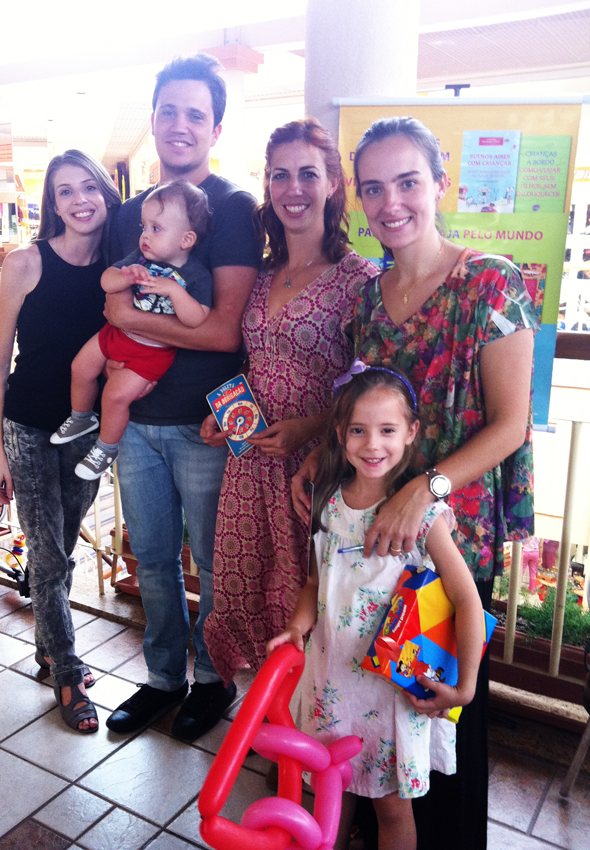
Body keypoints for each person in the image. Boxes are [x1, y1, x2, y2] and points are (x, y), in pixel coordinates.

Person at [292, 116, 539, 849]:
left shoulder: (490, 282)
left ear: (440, 184)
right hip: (372, 537)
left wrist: (422, 489)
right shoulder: (369, 297)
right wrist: (321, 453)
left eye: (407, 182)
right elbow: (363, 404)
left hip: (446, 535)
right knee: (369, 709)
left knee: (435, 710)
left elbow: (510, 425)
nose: (390, 202)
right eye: (373, 188)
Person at [104, 54, 262, 741]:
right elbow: (110, 301)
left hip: (205, 424)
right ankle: (163, 678)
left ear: (215, 129)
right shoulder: (131, 212)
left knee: (216, 564)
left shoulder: (233, 209)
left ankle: (214, 680)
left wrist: (130, 321)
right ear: (153, 119)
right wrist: (123, 319)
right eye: (168, 110)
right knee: (153, 561)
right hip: (136, 420)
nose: (180, 124)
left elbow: (225, 330)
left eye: (195, 114)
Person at [269, 364, 483, 850]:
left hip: (389, 695)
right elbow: (315, 582)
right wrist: (297, 627)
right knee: (330, 789)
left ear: (411, 432)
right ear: (339, 434)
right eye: (358, 431)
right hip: (330, 684)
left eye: (387, 430)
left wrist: (466, 686)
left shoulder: (424, 516)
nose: (372, 444)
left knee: (391, 808)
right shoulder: (327, 502)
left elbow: (466, 599)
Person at [201, 118, 377, 685]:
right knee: (243, 587)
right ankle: (267, 709)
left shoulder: (359, 279)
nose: (293, 188)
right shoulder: (262, 274)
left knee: (308, 596)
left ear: (333, 183)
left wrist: (313, 427)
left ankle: (309, 721)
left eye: (308, 174)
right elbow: (254, 361)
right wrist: (223, 412)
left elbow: (373, 387)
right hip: (249, 462)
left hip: (314, 468)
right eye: (280, 175)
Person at [0, 150, 121, 733]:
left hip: (88, 431)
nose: (79, 200)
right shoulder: (25, 262)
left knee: (60, 548)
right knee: (44, 552)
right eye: (65, 191)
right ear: (53, 204)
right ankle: (68, 673)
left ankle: (48, 647)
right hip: (27, 427)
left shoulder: (121, 268)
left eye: (89, 187)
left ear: (106, 194)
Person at [51, 181, 212, 481]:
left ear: (187, 239)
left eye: (156, 228)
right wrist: (125, 276)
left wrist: (174, 291)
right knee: (80, 367)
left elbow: (197, 319)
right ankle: (81, 418)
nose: (145, 235)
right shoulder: (139, 259)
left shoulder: (194, 275)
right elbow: (106, 281)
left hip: (151, 353)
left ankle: (106, 448)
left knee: (115, 395)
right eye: (143, 227)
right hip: (116, 334)